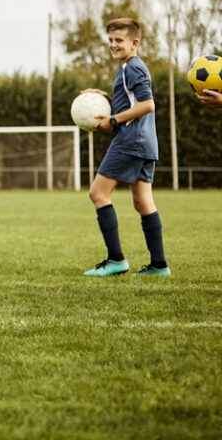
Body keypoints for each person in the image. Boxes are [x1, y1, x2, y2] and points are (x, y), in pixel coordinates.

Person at [80, 17, 168, 277]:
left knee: (98, 194)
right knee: (143, 202)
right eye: (110, 40)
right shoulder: (130, 68)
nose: (113, 45)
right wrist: (104, 98)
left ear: (134, 42)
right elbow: (131, 101)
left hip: (130, 141)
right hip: (145, 143)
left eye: (119, 40)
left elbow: (147, 104)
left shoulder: (133, 68)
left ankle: (116, 260)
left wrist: (113, 120)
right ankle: (159, 266)